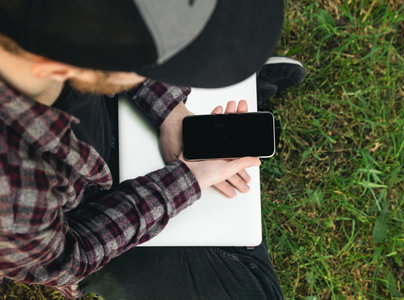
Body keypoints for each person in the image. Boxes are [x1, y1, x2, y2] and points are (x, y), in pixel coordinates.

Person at [0, 1, 303, 299]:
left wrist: (170, 111)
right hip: (91, 221)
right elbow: (66, 261)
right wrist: (185, 181)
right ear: (60, 65)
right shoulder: (13, 192)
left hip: (104, 120)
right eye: (146, 65)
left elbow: (110, 32)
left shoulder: (44, 40)